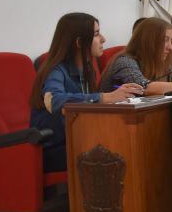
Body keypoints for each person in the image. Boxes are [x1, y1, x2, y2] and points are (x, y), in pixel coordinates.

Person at [31, 13, 143, 172]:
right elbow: (54, 100)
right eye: (97, 34)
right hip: (57, 148)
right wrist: (105, 97)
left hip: (80, 139)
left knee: (134, 142)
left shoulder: (87, 69)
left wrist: (119, 97)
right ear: (79, 42)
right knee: (119, 150)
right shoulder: (56, 70)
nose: (103, 39)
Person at [98, 18, 172, 95]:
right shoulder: (124, 61)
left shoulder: (168, 61)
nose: (170, 47)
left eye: (171, 40)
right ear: (148, 41)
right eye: (165, 40)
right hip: (116, 110)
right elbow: (144, 88)